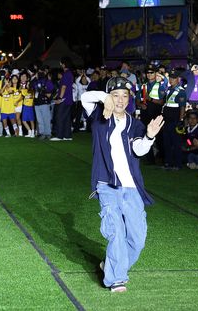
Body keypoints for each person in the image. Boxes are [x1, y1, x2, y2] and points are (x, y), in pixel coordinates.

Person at [80, 76, 164, 293]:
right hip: (107, 185)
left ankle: (110, 265)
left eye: (124, 96)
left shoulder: (135, 124)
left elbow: (138, 150)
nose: (120, 100)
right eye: (115, 95)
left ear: (129, 99)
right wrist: (103, 98)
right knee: (116, 231)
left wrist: (149, 137)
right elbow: (85, 97)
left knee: (138, 239)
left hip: (132, 187)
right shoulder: (99, 116)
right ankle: (116, 278)